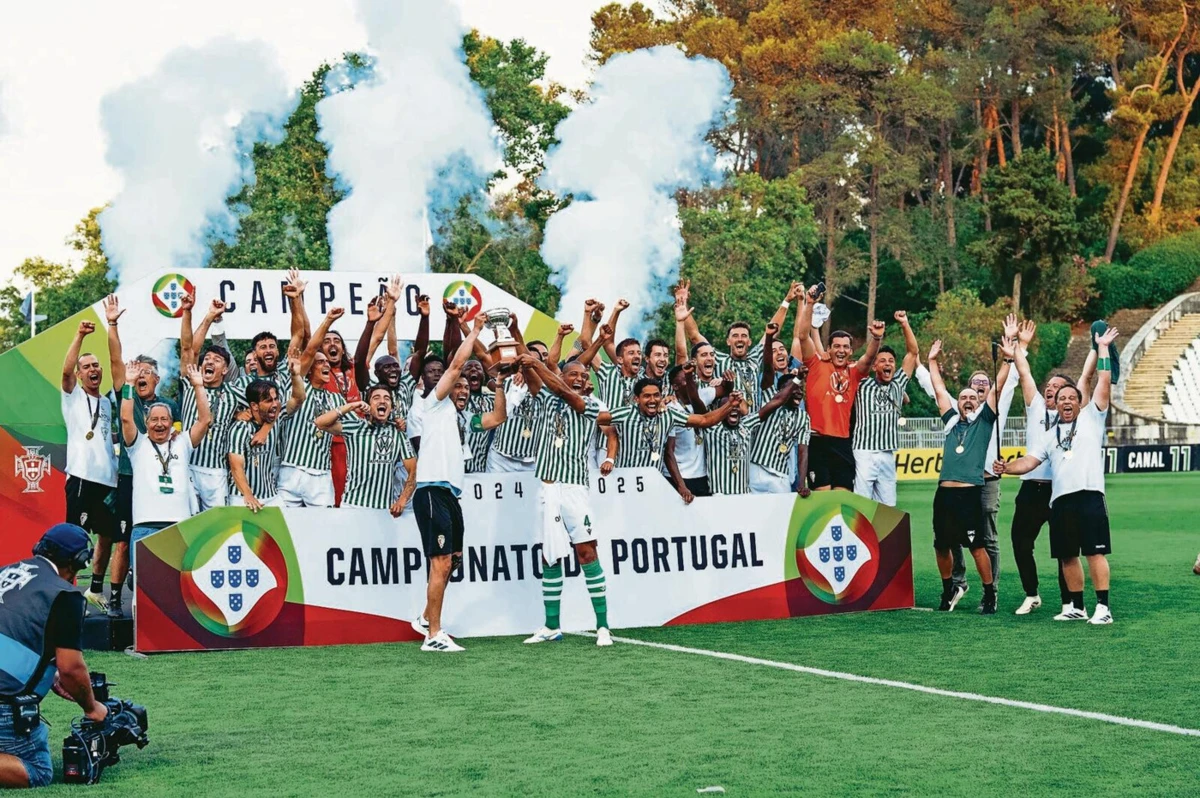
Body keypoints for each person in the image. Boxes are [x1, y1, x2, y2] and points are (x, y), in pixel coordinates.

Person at [995, 326, 1120, 625]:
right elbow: (1030, 461)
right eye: (1060, 398)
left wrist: (1101, 347)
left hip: (1089, 495)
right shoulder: (1050, 435)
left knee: (1094, 553)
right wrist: (1006, 467)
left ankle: (1102, 607)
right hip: (1060, 500)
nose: (1064, 401)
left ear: (1079, 401)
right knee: (1067, 555)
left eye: (1070, 397)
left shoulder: (1093, 417)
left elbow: (1102, 379)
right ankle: (1076, 607)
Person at [411, 316, 508, 652]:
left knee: (452, 559)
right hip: (431, 490)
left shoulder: (462, 418)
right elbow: (455, 365)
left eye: (468, 387)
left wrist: (498, 384)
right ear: (446, 389)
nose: (464, 389)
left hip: (450, 494)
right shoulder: (433, 405)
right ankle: (433, 635)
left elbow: (497, 418)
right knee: (439, 561)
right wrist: (477, 329)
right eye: (459, 386)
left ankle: (426, 617)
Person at [517, 356, 615, 647]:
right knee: (549, 555)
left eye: (581, 375)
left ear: (586, 381)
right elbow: (531, 369)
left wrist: (536, 362)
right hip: (547, 489)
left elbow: (561, 390)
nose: (577, 378)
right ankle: (551, 626)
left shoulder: (593, 405)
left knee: (586, 552)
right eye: (571, 373)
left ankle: (603, 626)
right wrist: (514, 333)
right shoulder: (547, 396)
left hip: (574, 489)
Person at [0, 524, 108, 788]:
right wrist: (92, 708)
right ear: (80, 561)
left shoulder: (4, 572)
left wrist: (51, 672)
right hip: (4, 705)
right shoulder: (65, 595)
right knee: (38, 770)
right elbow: (71, 668)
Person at [101, 295, 180, 617]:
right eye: (138, 371)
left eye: (148, 371)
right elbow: (116, 362)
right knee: (122, 540)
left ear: (158, 378)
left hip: (159, 484)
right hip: (129, 478)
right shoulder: (127, 394)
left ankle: (166, 598)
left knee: (164, 537)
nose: (142, 375)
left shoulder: (169, 407)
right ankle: (116, 599)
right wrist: (113, 324)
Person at [927, 336, 1014, 615]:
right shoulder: (951, 423)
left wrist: (1008, 360)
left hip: (970, 492)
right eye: (963, 397)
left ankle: (989, 593)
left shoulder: (985, 421)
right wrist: (931, 361)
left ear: (979, 402)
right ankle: (948, 588)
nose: (967, 400)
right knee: (942, 546)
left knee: (977, 547)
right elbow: (939, 389)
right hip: (945, 493)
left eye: (972, 398)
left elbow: (997, 389)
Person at [121, 363, 211, 577]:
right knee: (145, 588)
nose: (159, 424)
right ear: (146, 422)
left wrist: (199, 386)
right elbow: (125, 417)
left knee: (179, 585)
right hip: (145, 526)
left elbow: (205, 420)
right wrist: (128, 384)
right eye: (154, 420)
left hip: (179, 526)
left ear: (172, 423)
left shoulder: (183, 442)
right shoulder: (137, 444)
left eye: (164, 419)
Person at [794, 286, 884, 491]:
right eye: (836, 346)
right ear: (828, 349)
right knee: (824, 500)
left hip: (843, 443)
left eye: (845, 347)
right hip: (818, 442)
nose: (841, 350)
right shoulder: (816, 364)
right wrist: (809, 304)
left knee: (842, 500)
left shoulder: (854, 373)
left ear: (851, 351)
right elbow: (802, 336)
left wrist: (877, 338)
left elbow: (869, 358)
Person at [60, 320, 118, 613]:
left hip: (106, 481)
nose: (93, 369)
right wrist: (80, 335)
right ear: (81, 374)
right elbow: (66, 371)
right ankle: (65, 594)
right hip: (81, 478)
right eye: (87, 366)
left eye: (97, 365)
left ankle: (95, 589)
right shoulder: (72, 396)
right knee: (75, 539)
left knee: (107, 535)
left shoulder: (107, 403)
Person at [315, 385, 432, 515]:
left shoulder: (398, 433)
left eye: (387, 398)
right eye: (376, 398)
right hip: (353, 506)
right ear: (368, 405)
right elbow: (320, 423)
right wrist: (351, 406)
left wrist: (402, 501)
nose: (382, 401)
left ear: (391, 407)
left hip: (384, 510)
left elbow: (413, 471)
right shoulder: (356, 427)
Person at [275, 309, 347, 507]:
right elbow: (308, 350)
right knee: (285, 528)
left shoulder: (335, 397)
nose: (326, 365)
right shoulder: (295, 386)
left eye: (327, 362)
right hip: (291, 469)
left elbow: (344, 428)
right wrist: (328, 321)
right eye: (320, 362)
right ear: (309, 368)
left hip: (321, 474)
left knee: (323, 529)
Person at [851, 310, 919, 506]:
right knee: (863, 505)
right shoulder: (862, 384)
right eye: (882, 361)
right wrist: (875, 338)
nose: (887, 364)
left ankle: (884, 538)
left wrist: (905, 323)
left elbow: (913, 353)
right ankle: (861, 537)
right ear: (874, 367)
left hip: (888, 453)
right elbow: (861, 363)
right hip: (864, 451)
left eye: (891, 361)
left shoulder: (898, 384)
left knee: (888, 507)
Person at [179, 294, 239, 511]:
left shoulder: (234, 392)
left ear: (225, 370)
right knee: (188, 525)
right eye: (207, 359)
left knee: (217, 528)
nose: (209, 362)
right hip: (188, 466)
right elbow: (189, 350)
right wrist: (204, 316)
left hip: (217, 471)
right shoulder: (189, 384)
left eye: (217, 360)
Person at [606, 379, 735, 470]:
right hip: (626, 478)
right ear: (636, 399)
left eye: (656, 395)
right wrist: (610, 452)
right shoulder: (625, 414)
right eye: (647, 396)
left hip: (654, 480)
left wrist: (730, 405)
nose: (652, 400)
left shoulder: (668, 415)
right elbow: (596, 418)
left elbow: (704, 420)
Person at [228, 366, 305, 512]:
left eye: (276, 399)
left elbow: (299, 398)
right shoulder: (240, 429)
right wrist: (248, 495)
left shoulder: (276, 419)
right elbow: (236, 466)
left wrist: (295, 375)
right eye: (268, 401)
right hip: (241, 497)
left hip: (271, 496)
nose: (275, 404)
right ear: (254, 406)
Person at [747, 375, 812, 496]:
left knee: (782, 513)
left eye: (800, 389)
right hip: (757, 468)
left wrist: (801, 483)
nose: (798, 392)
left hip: (781, 475)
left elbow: (803, 451)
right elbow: (767, 371)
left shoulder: (804, 418)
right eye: (794, 388)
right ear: (781, 390)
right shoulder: (771, 400)